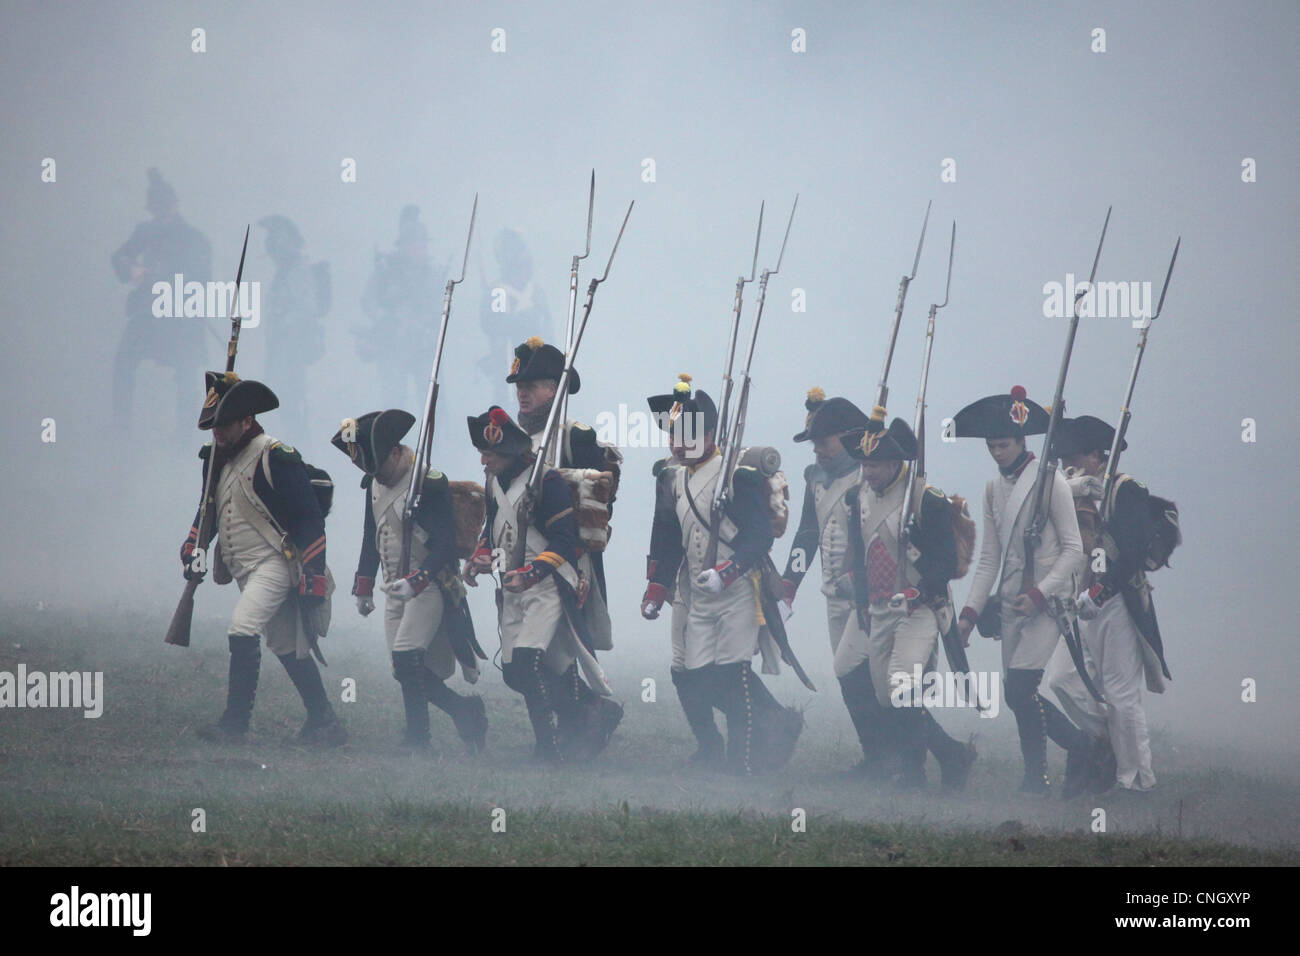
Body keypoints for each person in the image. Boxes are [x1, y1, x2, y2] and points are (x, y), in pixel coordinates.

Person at [640, 374, 803, 775]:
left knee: (731, 674)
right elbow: (666, 535)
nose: (677, 442)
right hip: (695, 591)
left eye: (687, 433)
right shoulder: (671, 476)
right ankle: (762, 732)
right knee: (695, 676)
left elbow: (759, 535)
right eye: (672, 433)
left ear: (710, 433)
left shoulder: (736, 474)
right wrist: (656, 588)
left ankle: (743, 761)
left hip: (738, 590)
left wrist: (727, 572)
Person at [181, 372, 344, 746]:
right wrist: (195, 546)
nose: (217, 432)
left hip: (275, 562)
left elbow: (308, 519)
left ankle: (234, 725)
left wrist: (314, 572)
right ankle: (324, 721)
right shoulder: (216, 459)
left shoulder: (276, 456)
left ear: (247, 421)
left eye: (223, 424)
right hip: (241, 567)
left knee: (242, 627)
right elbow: (209, 508)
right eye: (213, 425)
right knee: (288, 645)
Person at [463, 406, 620, 763]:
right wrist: (479, 558)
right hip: (512, 587)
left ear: (507, 453)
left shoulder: (546, 482)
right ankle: (591, 711)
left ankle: (547, 747)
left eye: (489, 454)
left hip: (548, 585)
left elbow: (564, 541)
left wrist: (531, 574)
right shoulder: (494, 482)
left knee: (528, 664)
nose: (484, 461)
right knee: (517, 673)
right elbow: (494, 530)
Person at [953, 386, 1090, 794]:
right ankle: (1058, 763)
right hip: (1012, 603)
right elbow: (989, 560)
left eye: (1004, 444)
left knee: (1019, 689)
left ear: (1021, 441)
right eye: (992, 446)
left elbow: (1074, 551)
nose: (998, 452)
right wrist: (970, 613)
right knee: (1017, 696)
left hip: (1046, 604)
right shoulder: (993, 490)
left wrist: (1039, 594)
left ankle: (1061, 761)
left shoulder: (1052, 484)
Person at [831, 408, 974, 789]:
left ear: (896, 462)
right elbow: (861, 554)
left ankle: (914, 772)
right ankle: (950, 754)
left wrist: (916, 590)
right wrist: (862, 600)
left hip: (920, 608)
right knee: (885, 696)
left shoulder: (926, 500)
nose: (868, 472)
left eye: (875, 465)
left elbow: (946, 562)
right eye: (864, 464)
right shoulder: (856, 498)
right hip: (877, 608)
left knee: (901, 686)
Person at [331, 409, 488, 754]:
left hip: (429, 585)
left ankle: (419, 739)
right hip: (394, 588)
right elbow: (371, 535)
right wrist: (363, 586)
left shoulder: (428, 483)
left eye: (380, 466)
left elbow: (446, 543)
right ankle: (464, 711)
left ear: (396, 452)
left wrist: (417, 580)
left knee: (406, 658)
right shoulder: (374, 482)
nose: (377, 474)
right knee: (404, 670)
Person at [1044, 415, 1170, 793]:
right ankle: (1109, 744)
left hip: (1116, 603)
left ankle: (1135, 781)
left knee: (1122, 696)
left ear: (1098, 457)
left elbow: (1131, 552)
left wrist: (1100, 592)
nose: (1070, 465)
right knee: (1061, 679)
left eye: (1077, 458)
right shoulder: (1069, 491)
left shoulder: (1126, 491)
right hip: (1077, 602)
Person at [111, 168, 211, 432]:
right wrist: (132, 269)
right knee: (123, 361)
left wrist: (173, 280)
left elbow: (202, 279)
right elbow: (120, 257)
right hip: (148, 313)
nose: (160, 212)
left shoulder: (194, 238)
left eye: (164, 206)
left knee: (186, 374)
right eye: (156, 207)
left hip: (180, 317)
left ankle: (186, 433)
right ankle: (120, 426)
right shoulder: (145, 232)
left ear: (174, 205)